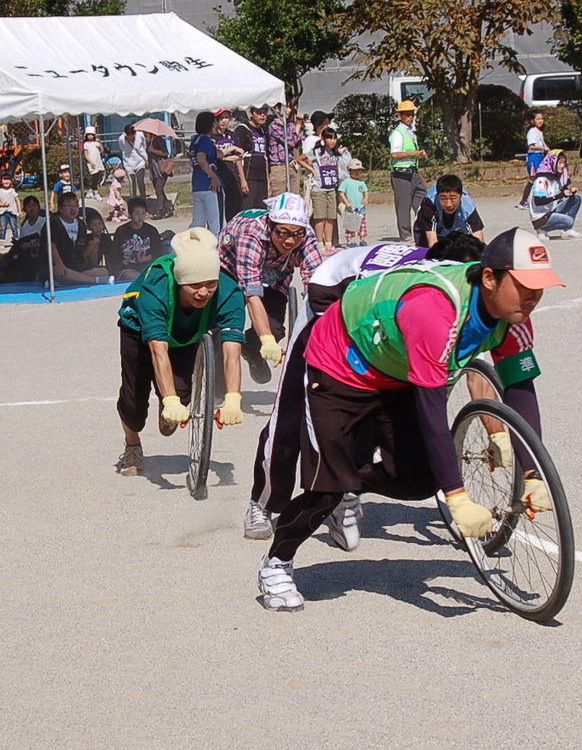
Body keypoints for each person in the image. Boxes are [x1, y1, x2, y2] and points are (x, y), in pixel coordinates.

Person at [255, 227, 563, 611]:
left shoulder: (514, 316)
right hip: (341, 366)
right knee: (326, 486)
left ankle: (351, 483)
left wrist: (533, 473)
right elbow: (433, 411)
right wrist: (458, 498)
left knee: (421, 480)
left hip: (398, 371)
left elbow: (520, 390)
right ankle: (278, 561)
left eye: (540, 286)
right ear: (489, 277)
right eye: (524, 286)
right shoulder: (436, 310)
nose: (534, 297)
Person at [243, 233, 488, 539]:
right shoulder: (425, 288)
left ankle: (346, 484)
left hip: (383, 325)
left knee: (398, 408)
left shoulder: (466, 293)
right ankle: (263, 502)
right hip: (332, 296)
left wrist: (497, 435)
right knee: (294, 411)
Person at [115, 228, 247, 475]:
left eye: (210, 285)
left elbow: (231, 350)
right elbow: (157, 350)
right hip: (138, 329)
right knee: (135, 407)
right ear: (179, 281)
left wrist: (233, 397)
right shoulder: (157, 288)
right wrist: (169, 400)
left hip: (186, 333)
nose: (204, 292)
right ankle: (132, 444)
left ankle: (171, 402)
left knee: (183, 393)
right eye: (195, 285)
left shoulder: (229, 291)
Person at [218, 192, 323, 384]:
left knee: (274, 328)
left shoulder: (305, 235)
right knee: (229, 323)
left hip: (277, 270)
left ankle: (251, 348)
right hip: (232, 268)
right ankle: (220, 376)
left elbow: (317, 287)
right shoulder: (251, 234)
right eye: (283, 232)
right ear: (270, 226)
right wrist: (266, 339)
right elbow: (252, 294)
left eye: (297, 233)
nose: (290, 240)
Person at [297, 127, 349, 252]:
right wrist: (312, 169)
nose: (332, 141)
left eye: (334, 138)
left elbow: (344, 166)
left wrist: (342, 154)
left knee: (330, 217)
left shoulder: (335, 153)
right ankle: (320, 244)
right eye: (329, 138)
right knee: (320, 217)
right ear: (323, 139)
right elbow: (300, 159)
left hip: (331, 187)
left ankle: (329, 243)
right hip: (318, 188)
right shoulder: (316, 152)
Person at [49, 191, 112, 285]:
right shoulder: (54, 223)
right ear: (61, 208)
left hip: (76, 265)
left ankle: (74, 279)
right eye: (69, 206)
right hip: (59, 264)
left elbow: (82, 252)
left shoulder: (81, 225)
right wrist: (59, 264)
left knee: (104, 271)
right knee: (60, 272)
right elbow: (51, 246)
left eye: (76, 206)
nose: (73, 209)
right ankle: (94, 280)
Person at [388, 100, 429, 242]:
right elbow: (395, 154)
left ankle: (426, 226)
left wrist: (418, 153)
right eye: (407, 115)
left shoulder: (410, 132)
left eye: (412, 114)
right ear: (400, 116)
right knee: (403, 206)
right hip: (401, 174)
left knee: (424, 198)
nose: (410, 117)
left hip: (413, 172)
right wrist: (413, 153)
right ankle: (405, 235)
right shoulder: (398, 133)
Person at [414, 173, 485, 247]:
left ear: (461, 196)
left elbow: (478, 239)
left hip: (456, 229)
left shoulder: (468, 207)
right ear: (438, 196)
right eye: (443, 198)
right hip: (427, 230)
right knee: (427, 253)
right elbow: (432, 243)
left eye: (453, 198)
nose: (448, 204)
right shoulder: (430, 204)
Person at [529, 152, 582, 240]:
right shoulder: (541, 180)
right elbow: (539, 201)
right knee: (569, 221)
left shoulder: (554, 180)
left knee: (576, 199)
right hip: (540, 217)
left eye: (564, 163)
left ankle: (567, 230)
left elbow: (561, 192)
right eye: (560, 163)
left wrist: (569, 192)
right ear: (552, 163)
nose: (562, 166)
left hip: (550, 212)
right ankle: (541, 229)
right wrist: (560, 195)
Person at [109, 197, 163, 282]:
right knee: (133, 276)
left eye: (143, 213)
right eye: (137, 213)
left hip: (147, 267)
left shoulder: (151, 230)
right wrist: (123, 261)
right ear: (130, 214)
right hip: (127, 268)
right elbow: (114, 254)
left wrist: (147, 258)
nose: (140, 216)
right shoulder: (121, 231)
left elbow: (159, 252)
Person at [188, 111, 224, 233]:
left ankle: (191, 245)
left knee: (198, 222)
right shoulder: (205, 140)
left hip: (198, 184)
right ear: (209, 124)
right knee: (215, 220)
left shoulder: (195, 140)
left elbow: (220, 154)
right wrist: (214, 177)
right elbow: (201, 158)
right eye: (214, 122)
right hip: (209, 185)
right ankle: (217, 247)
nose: (216, 125)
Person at [212, 109, 248, 220]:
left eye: (226, 117)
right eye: (221, 118)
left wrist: (243, 179)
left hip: (233, 176)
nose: (224, 121)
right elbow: (216, 156)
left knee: (237, 209)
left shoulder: (232, 135)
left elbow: (239, 157)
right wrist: (231, 149)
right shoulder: (212, 137)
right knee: (223, 210)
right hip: (220, 176)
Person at [233, 105, 271, 210]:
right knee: (248, 208)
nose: (262, 115)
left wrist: (268, 182)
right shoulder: (242, 129)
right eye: (259, 112)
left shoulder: (263, 131)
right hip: (249, 175)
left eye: (265, 112)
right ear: (252, 113)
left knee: (261, 209)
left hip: (261, 176)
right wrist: (243, 180)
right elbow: (238, 157)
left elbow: (265, 157)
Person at [267, 103, 304, 197]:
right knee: (280, 199)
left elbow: (297, 143)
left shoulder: (291, 125)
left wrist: (297, 129)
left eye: (289, 107)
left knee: (295, 198)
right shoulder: (274, 126)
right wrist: (298, 126)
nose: (288, 110)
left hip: (291, 166)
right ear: (277, 109)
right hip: (279, 167)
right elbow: (290, 142)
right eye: (285, 107)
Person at [519, 110, 549, 209]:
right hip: (534, 157)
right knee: (533, 179)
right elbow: (532, 146)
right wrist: (544, 149)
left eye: (542, 119)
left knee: (543, 177)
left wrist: (548, 150)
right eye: (538, 119)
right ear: (533, 121)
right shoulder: (532, 131)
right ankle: (523, 201)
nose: (540, 121)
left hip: (540, 156)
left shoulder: (539, 131)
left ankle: (543, 198)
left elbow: (542, 144)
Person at [337, 158, 369, 248]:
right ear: (349, 170)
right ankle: (349, 241)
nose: (357, 172)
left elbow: (366, 191)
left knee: (362, 225)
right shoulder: (346, 182)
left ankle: (362, 239)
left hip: (361, 207)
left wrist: (366, 198)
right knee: (350, 225)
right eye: (354, 170)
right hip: (351, 207)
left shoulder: (361, 182)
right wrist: (346, 202)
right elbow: (341, 192)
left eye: (358, 170)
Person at [146, 132, 173, 218]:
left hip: (160, 169)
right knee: (159, 190)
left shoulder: (159, 140)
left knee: (159, 190)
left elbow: (165, 153)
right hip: (153, 170)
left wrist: (153, 150)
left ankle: (159, 211)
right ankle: (168, 208)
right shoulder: (149, 141)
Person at [119, 124, 148, 199]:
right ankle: (133, 199)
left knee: (140, 180)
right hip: (128, 164)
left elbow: (144, 146)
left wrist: (145, 157)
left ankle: (143, 198)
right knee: (132, 182)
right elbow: (122, 148)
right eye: (129, 135)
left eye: (132, 135)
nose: (131, 137)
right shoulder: (121, 139)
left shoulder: (140, 135)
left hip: (140, 162)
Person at [0, 174, 21, 246]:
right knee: (3, 228)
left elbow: (17, 200)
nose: (6, 181)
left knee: (14, 227)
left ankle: (16, 241)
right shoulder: (0, 191)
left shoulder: (13, 191)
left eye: (8, 179)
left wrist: (19, 210)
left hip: (12, 212)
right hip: (3, 213)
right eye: (4, 179)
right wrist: (3, 205)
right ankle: (2, 242)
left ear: (11, 181)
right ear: (1, 181)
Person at [82, 126, 106, 200]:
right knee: (94, 177)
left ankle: (90, 191)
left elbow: (102, 151)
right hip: (91, 162)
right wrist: (90, 162)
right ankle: (95, 191)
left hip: (97, 161)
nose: (90, 136)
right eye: (88, 135)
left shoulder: (96, 143)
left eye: (92, 135)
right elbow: (86, 155)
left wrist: (100, 143)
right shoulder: (86, 144)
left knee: (98, 176)